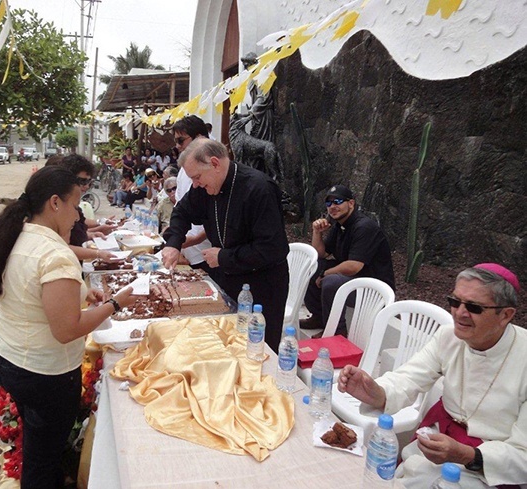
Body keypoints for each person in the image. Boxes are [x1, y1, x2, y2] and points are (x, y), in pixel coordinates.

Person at [0, 166, 137, 489]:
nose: (78, 216)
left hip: (9, 359)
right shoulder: (55, 254)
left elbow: (33, 294)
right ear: (54, 203)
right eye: (76, 205)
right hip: (44, 375)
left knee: (39, 447)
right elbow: (66, 330)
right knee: (42, 458)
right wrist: (115, 304)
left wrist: (81, 292)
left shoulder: (19, 235)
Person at [338, 264, 525, 488]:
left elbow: (523, 453)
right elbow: (409, 377)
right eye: (455, 302)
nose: (460, 313)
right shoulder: (448, 336)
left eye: (474, 307)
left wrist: (466, 455)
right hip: (436, 445)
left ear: (505, 315)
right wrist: (374, 391)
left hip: (489, 468)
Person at [162, 138, 290, 352]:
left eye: (197, 177)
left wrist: (223, 257)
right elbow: (182, 211)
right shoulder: (205, 186)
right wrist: (174, 243)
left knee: (257, 351)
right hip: (225, 277)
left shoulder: (258, 188)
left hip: (262, 285)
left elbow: (272, 249)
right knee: (224, 345)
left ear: (214, 163)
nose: (195, 184)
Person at [302, 184, 395, 336]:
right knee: (312, 266)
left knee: (331, 281)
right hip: (355, 279)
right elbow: (321, 254)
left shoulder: (364, 227)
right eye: (329, 203)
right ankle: (319, 317)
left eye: (337, 201)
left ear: (351, 203)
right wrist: (317, 232)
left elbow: (354, 266)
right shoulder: (340, 225)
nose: (332, 207)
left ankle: (336, 333)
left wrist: (325, 274)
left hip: (374, 289)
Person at [171, 115, 216, 277]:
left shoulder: (212, 167)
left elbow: (216, 213)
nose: (177, 146)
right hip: (187, 245)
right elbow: (180, 206)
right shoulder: (185, 167)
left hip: (206, 250)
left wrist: (197, 238)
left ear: (199, 138)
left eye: (180, 140)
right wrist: (175, 238)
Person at [60, 154, 119, 263]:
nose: (86, 186)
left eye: (89, 182)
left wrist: (93, 233)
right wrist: (97, 253)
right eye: (82, 182)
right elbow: (62, 248)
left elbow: (78, 233)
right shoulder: (59, 208)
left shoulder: (74, 205)